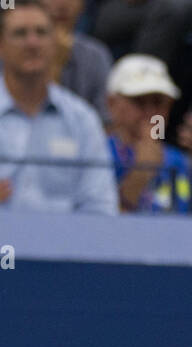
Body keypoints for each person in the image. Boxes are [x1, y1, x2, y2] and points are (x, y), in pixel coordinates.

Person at [0, 0, 117, 213]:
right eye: (20, 33)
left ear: (55, 42)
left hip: (64, 243)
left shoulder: (83, 120)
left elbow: (100, 209)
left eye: (42, 32)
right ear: (1, 45)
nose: (32, 43)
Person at [106, 53, 192, 213]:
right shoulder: (98, 153)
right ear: (111, 104)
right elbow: (99, 227)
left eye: (158, 102)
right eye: (139, 101)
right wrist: (140, 174)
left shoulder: (179, 161)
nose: (150, 112)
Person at [45, 0, 112, 122]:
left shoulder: (96, 55)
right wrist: (54, 67)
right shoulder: (11, 50)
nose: (62, 5)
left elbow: (105, 123)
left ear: (83, 5)